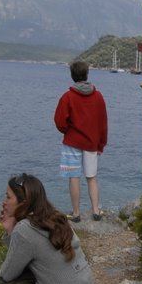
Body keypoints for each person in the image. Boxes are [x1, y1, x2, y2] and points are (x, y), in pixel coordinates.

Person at [54, 60, 107, 222]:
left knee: (74, 177)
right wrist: (101, 144)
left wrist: (68, 131)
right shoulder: (98, 96)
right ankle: (96, 211)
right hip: (91, 143)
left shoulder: (68, 97)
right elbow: (103, 122)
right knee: (91, 177)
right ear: (87, 74)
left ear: (72, 76)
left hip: (72, 142)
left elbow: (59, 121)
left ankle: (76, 213)